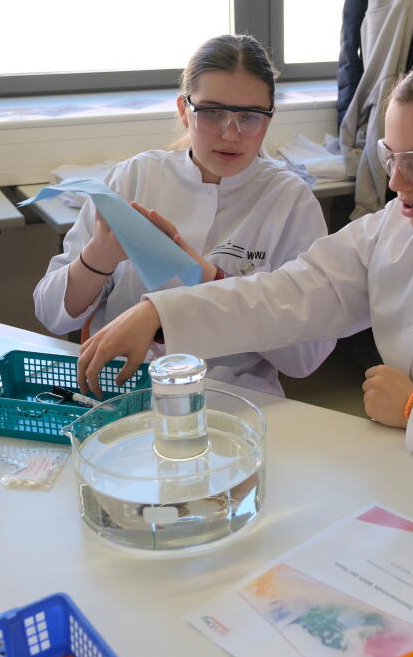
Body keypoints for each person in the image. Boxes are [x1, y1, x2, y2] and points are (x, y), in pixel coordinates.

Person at [76, 48, 413, 486]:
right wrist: (162, 313)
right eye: (391, 157)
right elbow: (290, 294)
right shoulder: (392, 229)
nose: (396, 183)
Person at [33, 34, 334, 396]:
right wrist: (99, 256)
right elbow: (52, 313)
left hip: (231, 397)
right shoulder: (135, 177)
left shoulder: (290, 200)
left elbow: (305, 357)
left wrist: (213, 280)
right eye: (212, 113)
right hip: (124, 393)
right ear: (183, 110)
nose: (231, 134)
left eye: (250, 117)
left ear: (269, 119)